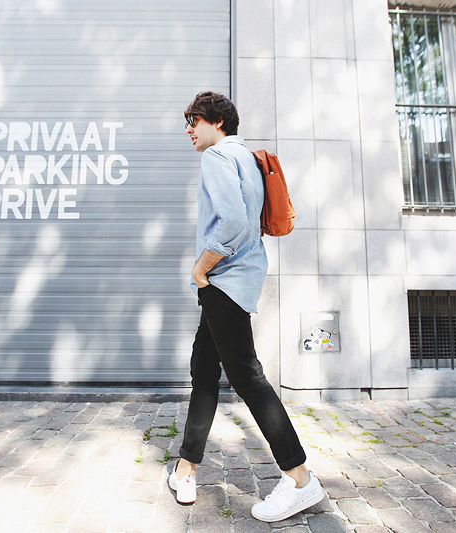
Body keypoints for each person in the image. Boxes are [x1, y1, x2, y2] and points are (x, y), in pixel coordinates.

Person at [167, 91, 326, 522]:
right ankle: (186, 468)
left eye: (194, 121)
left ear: (217, 121)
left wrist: (201, 268)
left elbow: (234, 222)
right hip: (238, 279)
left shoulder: (217, 156)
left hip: (224, 282)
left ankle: (300, 479)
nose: (188, 130)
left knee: (248, 378)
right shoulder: (249, 159)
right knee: (204, 371)